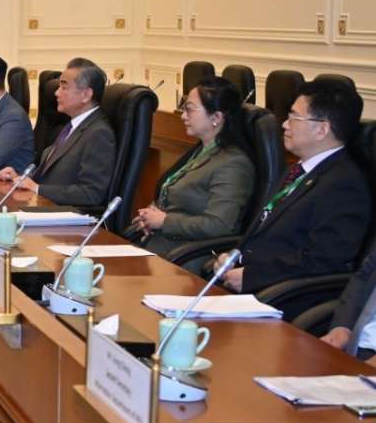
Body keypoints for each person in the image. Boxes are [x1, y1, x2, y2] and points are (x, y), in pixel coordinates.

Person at [211, 79, 369, 293]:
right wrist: (233, 256)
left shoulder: (344, 185)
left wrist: (251, 276)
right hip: (247, 281)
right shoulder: (298, 170)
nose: (285, 124)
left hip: (281, 296)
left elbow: (323, 261)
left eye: (294, 117)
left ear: (322, 129)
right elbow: (264, 231)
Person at [130, 77, 255, 255]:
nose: (183, 115)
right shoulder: (201, 150)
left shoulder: (234, 164)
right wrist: (150, 216)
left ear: (216, 117)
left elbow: (219, 225)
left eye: (189, 109)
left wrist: (164, 221)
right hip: (160, 244)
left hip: (186, 255)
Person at [0, 58, 115, 207]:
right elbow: (48, 177)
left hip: (66, 215)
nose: (56, 93)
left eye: (64, 87)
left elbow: (91, 193)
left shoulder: (99, 133)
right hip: (43, 206)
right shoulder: (71, 126)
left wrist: (37, 188)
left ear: (86, 95)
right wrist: (20, 178)